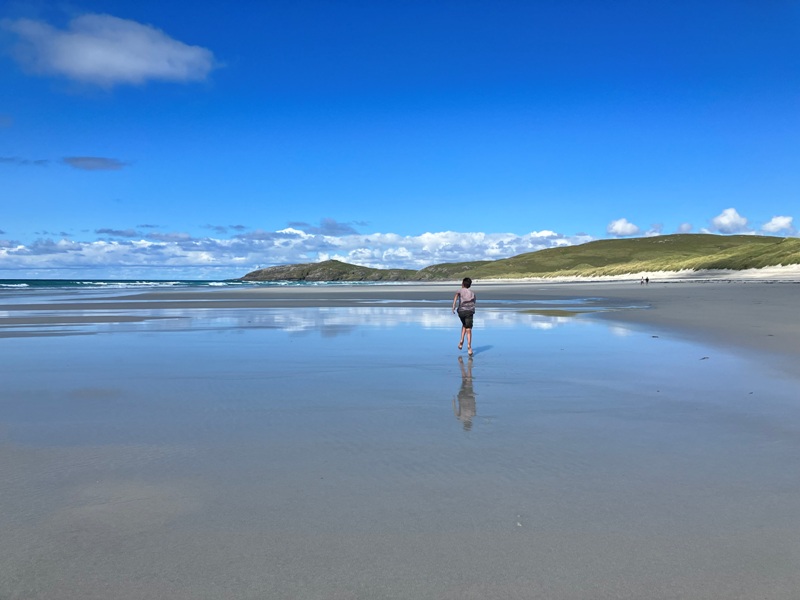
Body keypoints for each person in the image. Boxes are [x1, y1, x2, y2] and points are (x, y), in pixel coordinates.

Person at [452, 277, 476, 356]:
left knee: (464, 325)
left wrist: (453, 306)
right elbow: (474, 302)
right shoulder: (472, 293)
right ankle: (469, 346)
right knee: (468, 329)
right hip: (469, 311)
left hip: (461, 312)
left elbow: (456, 297)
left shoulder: (460, 290)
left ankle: (461, 341)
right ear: (469, 285)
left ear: (462, 284)